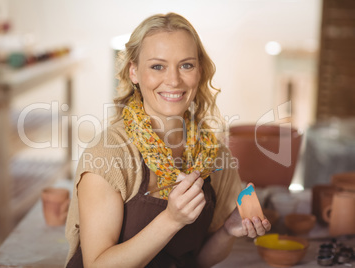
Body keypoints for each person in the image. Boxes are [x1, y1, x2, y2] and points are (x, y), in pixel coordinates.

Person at [65, 12, 271, 268]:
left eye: (186, 65)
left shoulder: (214, 155)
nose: (173, 80)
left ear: (200, 71)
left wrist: (228, 230)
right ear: (134, 72)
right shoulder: (108, 156)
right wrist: (172, 220)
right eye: (157, 66)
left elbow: (195, 260)